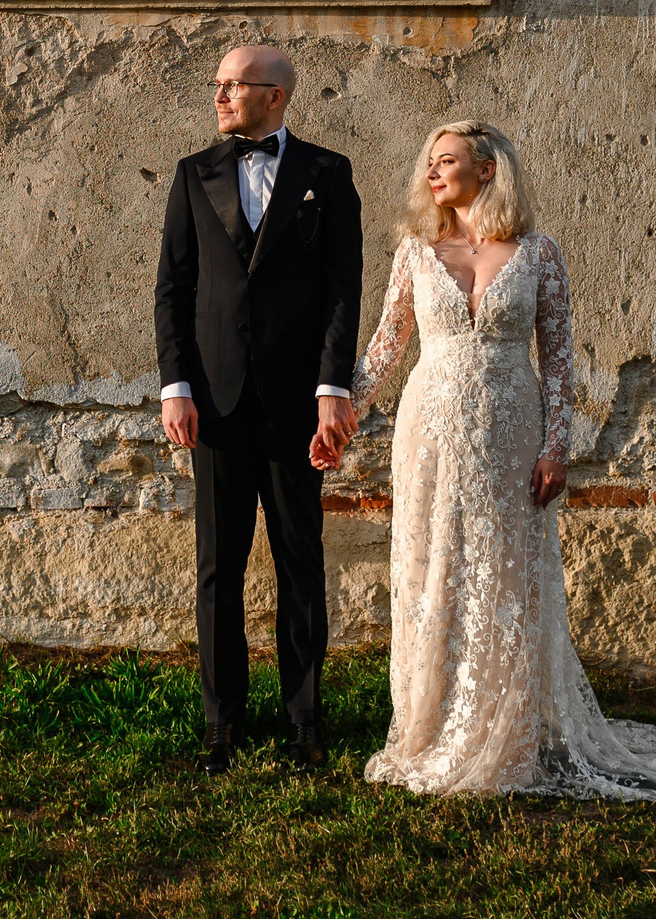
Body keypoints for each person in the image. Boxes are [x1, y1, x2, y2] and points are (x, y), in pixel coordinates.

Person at [318, 119, 656, 804]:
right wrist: (339, 410)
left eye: (447, 161)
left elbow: (558, 363)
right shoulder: (416, 249)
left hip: (512, 429)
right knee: (432, 568)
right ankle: (428, 729)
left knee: (508, 574)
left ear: (488, 168)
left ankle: (509, 739)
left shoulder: (539, 253)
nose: (432, 173)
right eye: (429, 162)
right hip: (430, 430)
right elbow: (386, 346)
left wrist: (557, 446)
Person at [155, 43, 363, 774]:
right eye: (216, 85)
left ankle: (304, 720)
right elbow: (174, 289)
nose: (219, 97)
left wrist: (333, 386)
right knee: (219, 565)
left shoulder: (328, 175)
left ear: (275, 94)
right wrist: (175, 386)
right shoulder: (193, 174)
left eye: (232, 86)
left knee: (299, 563)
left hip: (296, 406)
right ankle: (222, 724)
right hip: (213, 402)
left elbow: (343, 288)